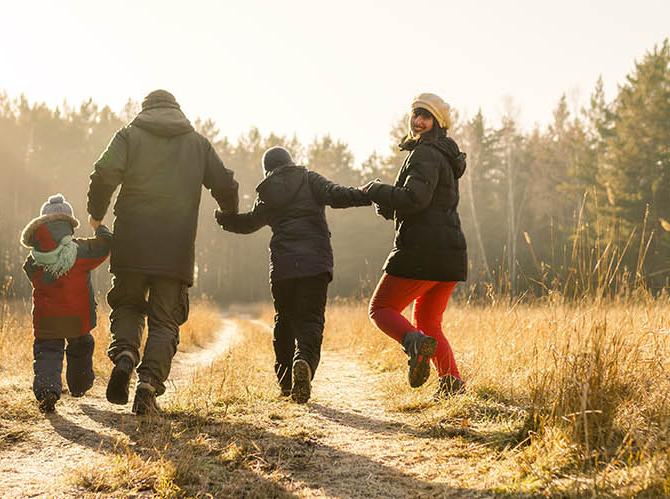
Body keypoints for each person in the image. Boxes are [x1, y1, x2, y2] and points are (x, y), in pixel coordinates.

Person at [87, 89, 239, 415]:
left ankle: (126, 355)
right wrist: (228, 214)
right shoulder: (197, 143)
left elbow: (103, 173)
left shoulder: (129, 135)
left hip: (131, 240)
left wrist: (97, 213)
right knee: (165, 320)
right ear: (177, 110)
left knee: (128, 304)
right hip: (175, 248)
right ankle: (147, 384)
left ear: (145, 109)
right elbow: (225, 184)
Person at [215, 147, 370, 404]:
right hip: (315, 264)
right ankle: (304, 362)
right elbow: (337, 195)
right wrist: (368, 194)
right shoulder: (309, 179)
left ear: (268, 170)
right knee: (310, 320)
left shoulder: (267, 194)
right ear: (290, 162)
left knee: (284, 322)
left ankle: (286, 382)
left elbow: (248, 224)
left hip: (283, 267)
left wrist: (223, 219)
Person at [362, 93, 469, 398]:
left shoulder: (425, 154)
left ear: (438, 122)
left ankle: (414, 343)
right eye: (416, 115)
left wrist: (378, 189)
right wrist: (385, 201)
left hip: (424, 251)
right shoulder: (444, 156)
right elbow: (425, 200)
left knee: (381, 308)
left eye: (426, 116)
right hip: (450, 253)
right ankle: (452, 385)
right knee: (429, 322)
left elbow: (415, 199)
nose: (418, 121)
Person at [20, 194, 113, 412]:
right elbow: (105, 246)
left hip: (46, 319)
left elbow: (31, 273)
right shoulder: (80, 250)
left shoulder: (34, 258)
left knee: (47, 351)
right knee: (81, 345)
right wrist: (99, 228)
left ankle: (47, 392)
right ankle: (79, 386)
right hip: (77, 316)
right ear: (69, 224)